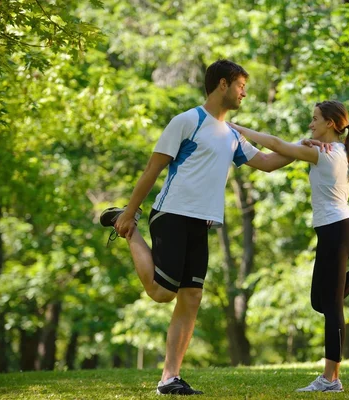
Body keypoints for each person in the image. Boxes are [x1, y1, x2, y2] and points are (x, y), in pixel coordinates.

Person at [99, 59, 308, 395]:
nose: (244, 93)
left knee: (192, 297)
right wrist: (131, 211)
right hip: (172, 213)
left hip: (203, 222)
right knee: (162, 293)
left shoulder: (233, 134)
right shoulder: (187, 120)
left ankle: (170, 378)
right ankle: (128, 227)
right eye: (240, 85)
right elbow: (152, 170)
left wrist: (302, 148)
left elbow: (268, 163)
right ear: (222, 84)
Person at [229, 100, 349, 393]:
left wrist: (236, 128)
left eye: (314, 119)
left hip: (335, 232)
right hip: (342, 231)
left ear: (329, 123)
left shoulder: (322, 154)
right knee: (320, 301)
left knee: (332, 305)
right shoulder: (344, 155)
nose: (311, 123)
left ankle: (330, 378)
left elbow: (276, 144)